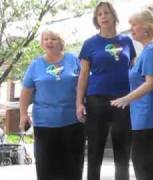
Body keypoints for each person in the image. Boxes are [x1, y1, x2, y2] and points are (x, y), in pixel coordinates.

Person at [76, 1, 136, 180]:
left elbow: (133, 70)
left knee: (122, 150)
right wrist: (79, 102)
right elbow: (83, 75)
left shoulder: (126, 41)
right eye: (100, 14)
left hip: (123, 100)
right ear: (96, 19)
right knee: (95, 149)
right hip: (97, 100)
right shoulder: (90, 44)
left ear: (114, 16)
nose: (103, 16)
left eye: (106, 13)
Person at [111, 9, 153, 180]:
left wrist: (125, 99)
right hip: (145, 115)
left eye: (134, 25)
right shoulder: (148, 49)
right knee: (147, 158)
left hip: (150, 114)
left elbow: (151, 83)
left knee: (141, 159)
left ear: (146, 27)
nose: (131, 29)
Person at [19, 30, 85, 180]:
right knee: (46, 169)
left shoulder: (73, 60)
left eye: (53, 39)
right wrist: (23, 114)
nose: (49, 42)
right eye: (45, 39)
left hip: (73, 122)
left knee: (73, 168)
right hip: (45, 124)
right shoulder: (35, 65)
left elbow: (85, 83)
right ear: (42, 43)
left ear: (60, 42)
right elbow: (26, 91)